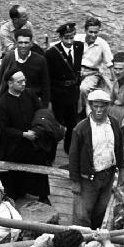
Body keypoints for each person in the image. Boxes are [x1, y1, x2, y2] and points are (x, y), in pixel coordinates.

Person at [69, 89, 124, 229]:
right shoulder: (81, 129)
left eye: (102, 106)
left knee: (101, 210)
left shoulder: (114, 124)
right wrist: (75, 181)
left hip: (107, 175)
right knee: (82, 214)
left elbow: (118, 148)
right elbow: (73, 156)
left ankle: (96, 237)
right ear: (90, 106)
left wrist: (122, 169)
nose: (99, 110)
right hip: (88, 179)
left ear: (108, 106)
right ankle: (81, 239)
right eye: (95, 106)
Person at [0, 67, 50, 203]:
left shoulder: (29, 94)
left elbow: (40, 112)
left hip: (33, 139)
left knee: (41, 162)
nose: (24, 84)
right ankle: (17, 193)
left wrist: (37, 130)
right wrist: (23, 134)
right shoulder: (2, 104)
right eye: (20, 82)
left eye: (24, 80)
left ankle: (43, 195)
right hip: (15, 143)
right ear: (10, 83)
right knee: (14, 169)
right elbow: (4, 128)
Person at [45, 22, 84, 153]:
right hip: (58, 95)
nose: (69, 41)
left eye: (72, 37)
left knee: (72, 124)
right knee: (56, 125)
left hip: (73, 93)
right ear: (61, 38)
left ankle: (68, 150)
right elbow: (48, 78)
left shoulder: (79, 47)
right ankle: (50, 154)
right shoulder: (51, 53)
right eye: (66, 38)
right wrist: (49, 98)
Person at [0, 29, 50, 109]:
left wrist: (44, 108)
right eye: (20, 42)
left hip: (34, 105)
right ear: (16, 43)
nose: (23, 46)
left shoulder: (40, 60)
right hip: (13, 105)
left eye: (26, 43)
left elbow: (45, 85)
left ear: (31, 43)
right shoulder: (9, 58)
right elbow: (2, 83)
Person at [74, 16, 113, 115]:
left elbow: (110, 64)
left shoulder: (102, 44)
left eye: (96, 32)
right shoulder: (77, 38)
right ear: (85, 30)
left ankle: (81, 111)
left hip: (92, 73)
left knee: (82, 89)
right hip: (75, 70)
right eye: (90, 32)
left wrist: (115, 83)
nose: (93, 35)